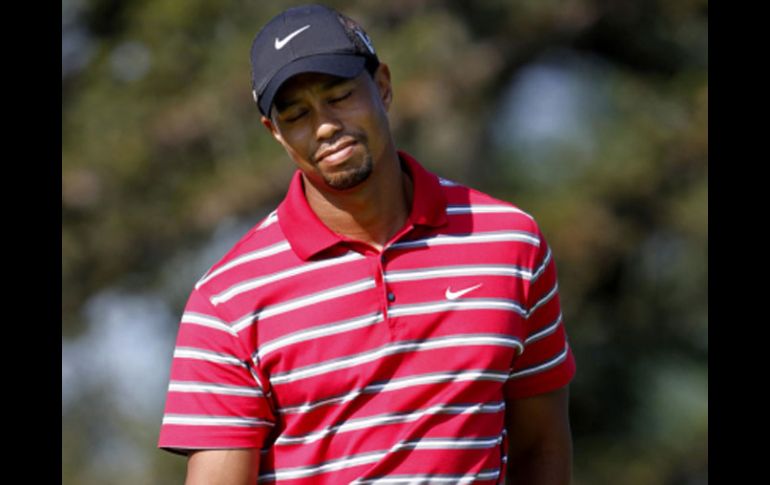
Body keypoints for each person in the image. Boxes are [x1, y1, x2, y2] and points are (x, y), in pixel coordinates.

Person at [158, 4, 576, 484]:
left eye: (340, 96)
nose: (325, 126)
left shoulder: (510, 243)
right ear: (276, 133)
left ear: (383, 86)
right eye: (296, 114)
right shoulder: (226, 303)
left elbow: (541, 447)